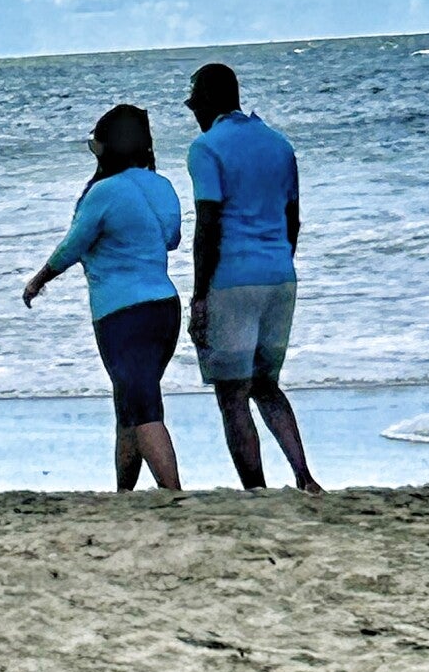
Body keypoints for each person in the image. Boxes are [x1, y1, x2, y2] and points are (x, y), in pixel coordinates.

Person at [23, 104, 183, 491]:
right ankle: (124, 492)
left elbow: (73, 245)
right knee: (130, 402)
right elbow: (172, 239)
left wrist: (39, 280)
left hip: (121, 312)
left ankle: (174, 494)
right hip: (165, 307)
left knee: (142, 407)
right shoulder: (161, 185)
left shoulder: (103, 191)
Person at [184, 62, 323, 493]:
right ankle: (304, 477)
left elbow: (208, 224)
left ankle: (255, 488)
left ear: (209, 101)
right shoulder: (279, 144)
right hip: (280, 275)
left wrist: (199, 295)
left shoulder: (205, 148)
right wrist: (279, 260)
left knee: (232, 395)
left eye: (194, 101)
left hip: (231, 280)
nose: (192, 109)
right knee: (266, 386)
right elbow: (293, 219)